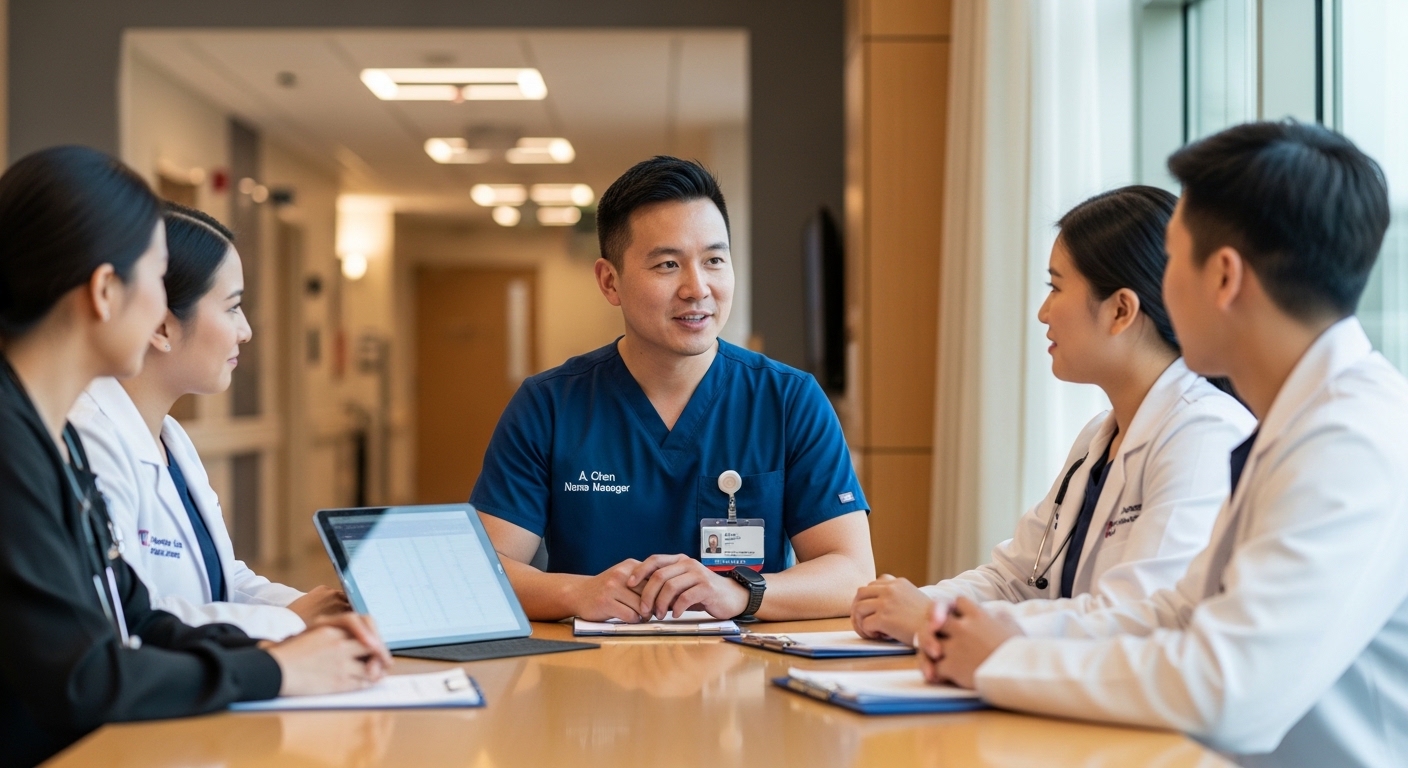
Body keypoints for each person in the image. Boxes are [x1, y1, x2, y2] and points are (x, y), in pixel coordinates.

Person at [923, 121, 1407, 768]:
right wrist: (995, 636)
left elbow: (1229, 688)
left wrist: (1006, 660)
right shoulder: (1298, 420)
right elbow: (1178, 615)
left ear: (1224, 277)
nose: (1160, 285)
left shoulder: (1350, 439)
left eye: (1174, 258)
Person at [0, 146, 391, 768]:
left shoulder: (53, 439)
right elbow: (83, 676)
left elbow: (131, 613)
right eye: (157, 281)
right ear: (106, 291)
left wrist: (289, 649)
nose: (163, 309)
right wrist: (272, 667)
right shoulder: (16, 444)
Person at [471, 156, 875, 623]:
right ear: (610, 281)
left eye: (714, 260)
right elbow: (486, 570)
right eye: (667, 264)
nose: (697, 288)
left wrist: (740, 594)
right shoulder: (549, 406)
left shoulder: (789, 400)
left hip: (742, 682)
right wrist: (575, 593)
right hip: (588, 670)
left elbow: (852, 574)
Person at [851, 186, 1254, 646]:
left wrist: (933, 621)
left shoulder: (1203, 436)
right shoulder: (1096, 441)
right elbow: (1017, 580)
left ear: (1121, 310)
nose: (1044, 312)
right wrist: (907, 605)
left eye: (1055, 287)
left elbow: (1138, 619)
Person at [69, 203, 349, 641]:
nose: (246, 331)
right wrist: (291, 620)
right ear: (162, 326)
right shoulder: (87, 440)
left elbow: (223, 579)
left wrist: (309, 607)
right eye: (233, 308)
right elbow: (128, 617)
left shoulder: (170, 437)